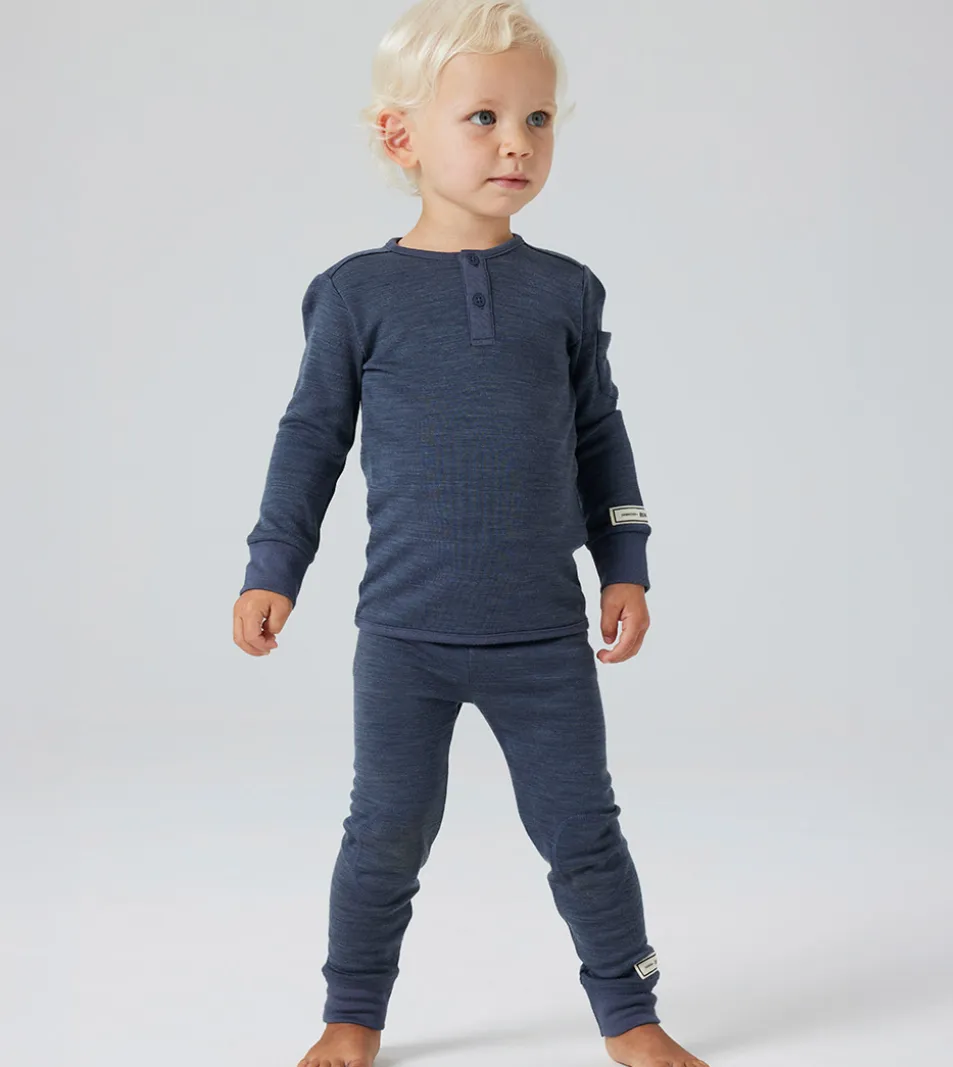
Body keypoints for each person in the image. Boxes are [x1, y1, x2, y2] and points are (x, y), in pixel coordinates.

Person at [233, 2, 710, 1065]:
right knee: (384, 835)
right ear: (400, 134)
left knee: (584, 834)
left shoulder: (565, 291)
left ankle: (631, 1016)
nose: (516, 143)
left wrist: (625, 562)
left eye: (538, 118)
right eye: (484, 116)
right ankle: (351, 1014)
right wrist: (274, 566)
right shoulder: (354, 294)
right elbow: (310, 439)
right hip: (404, 635)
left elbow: (601, 436)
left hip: (542, 636)